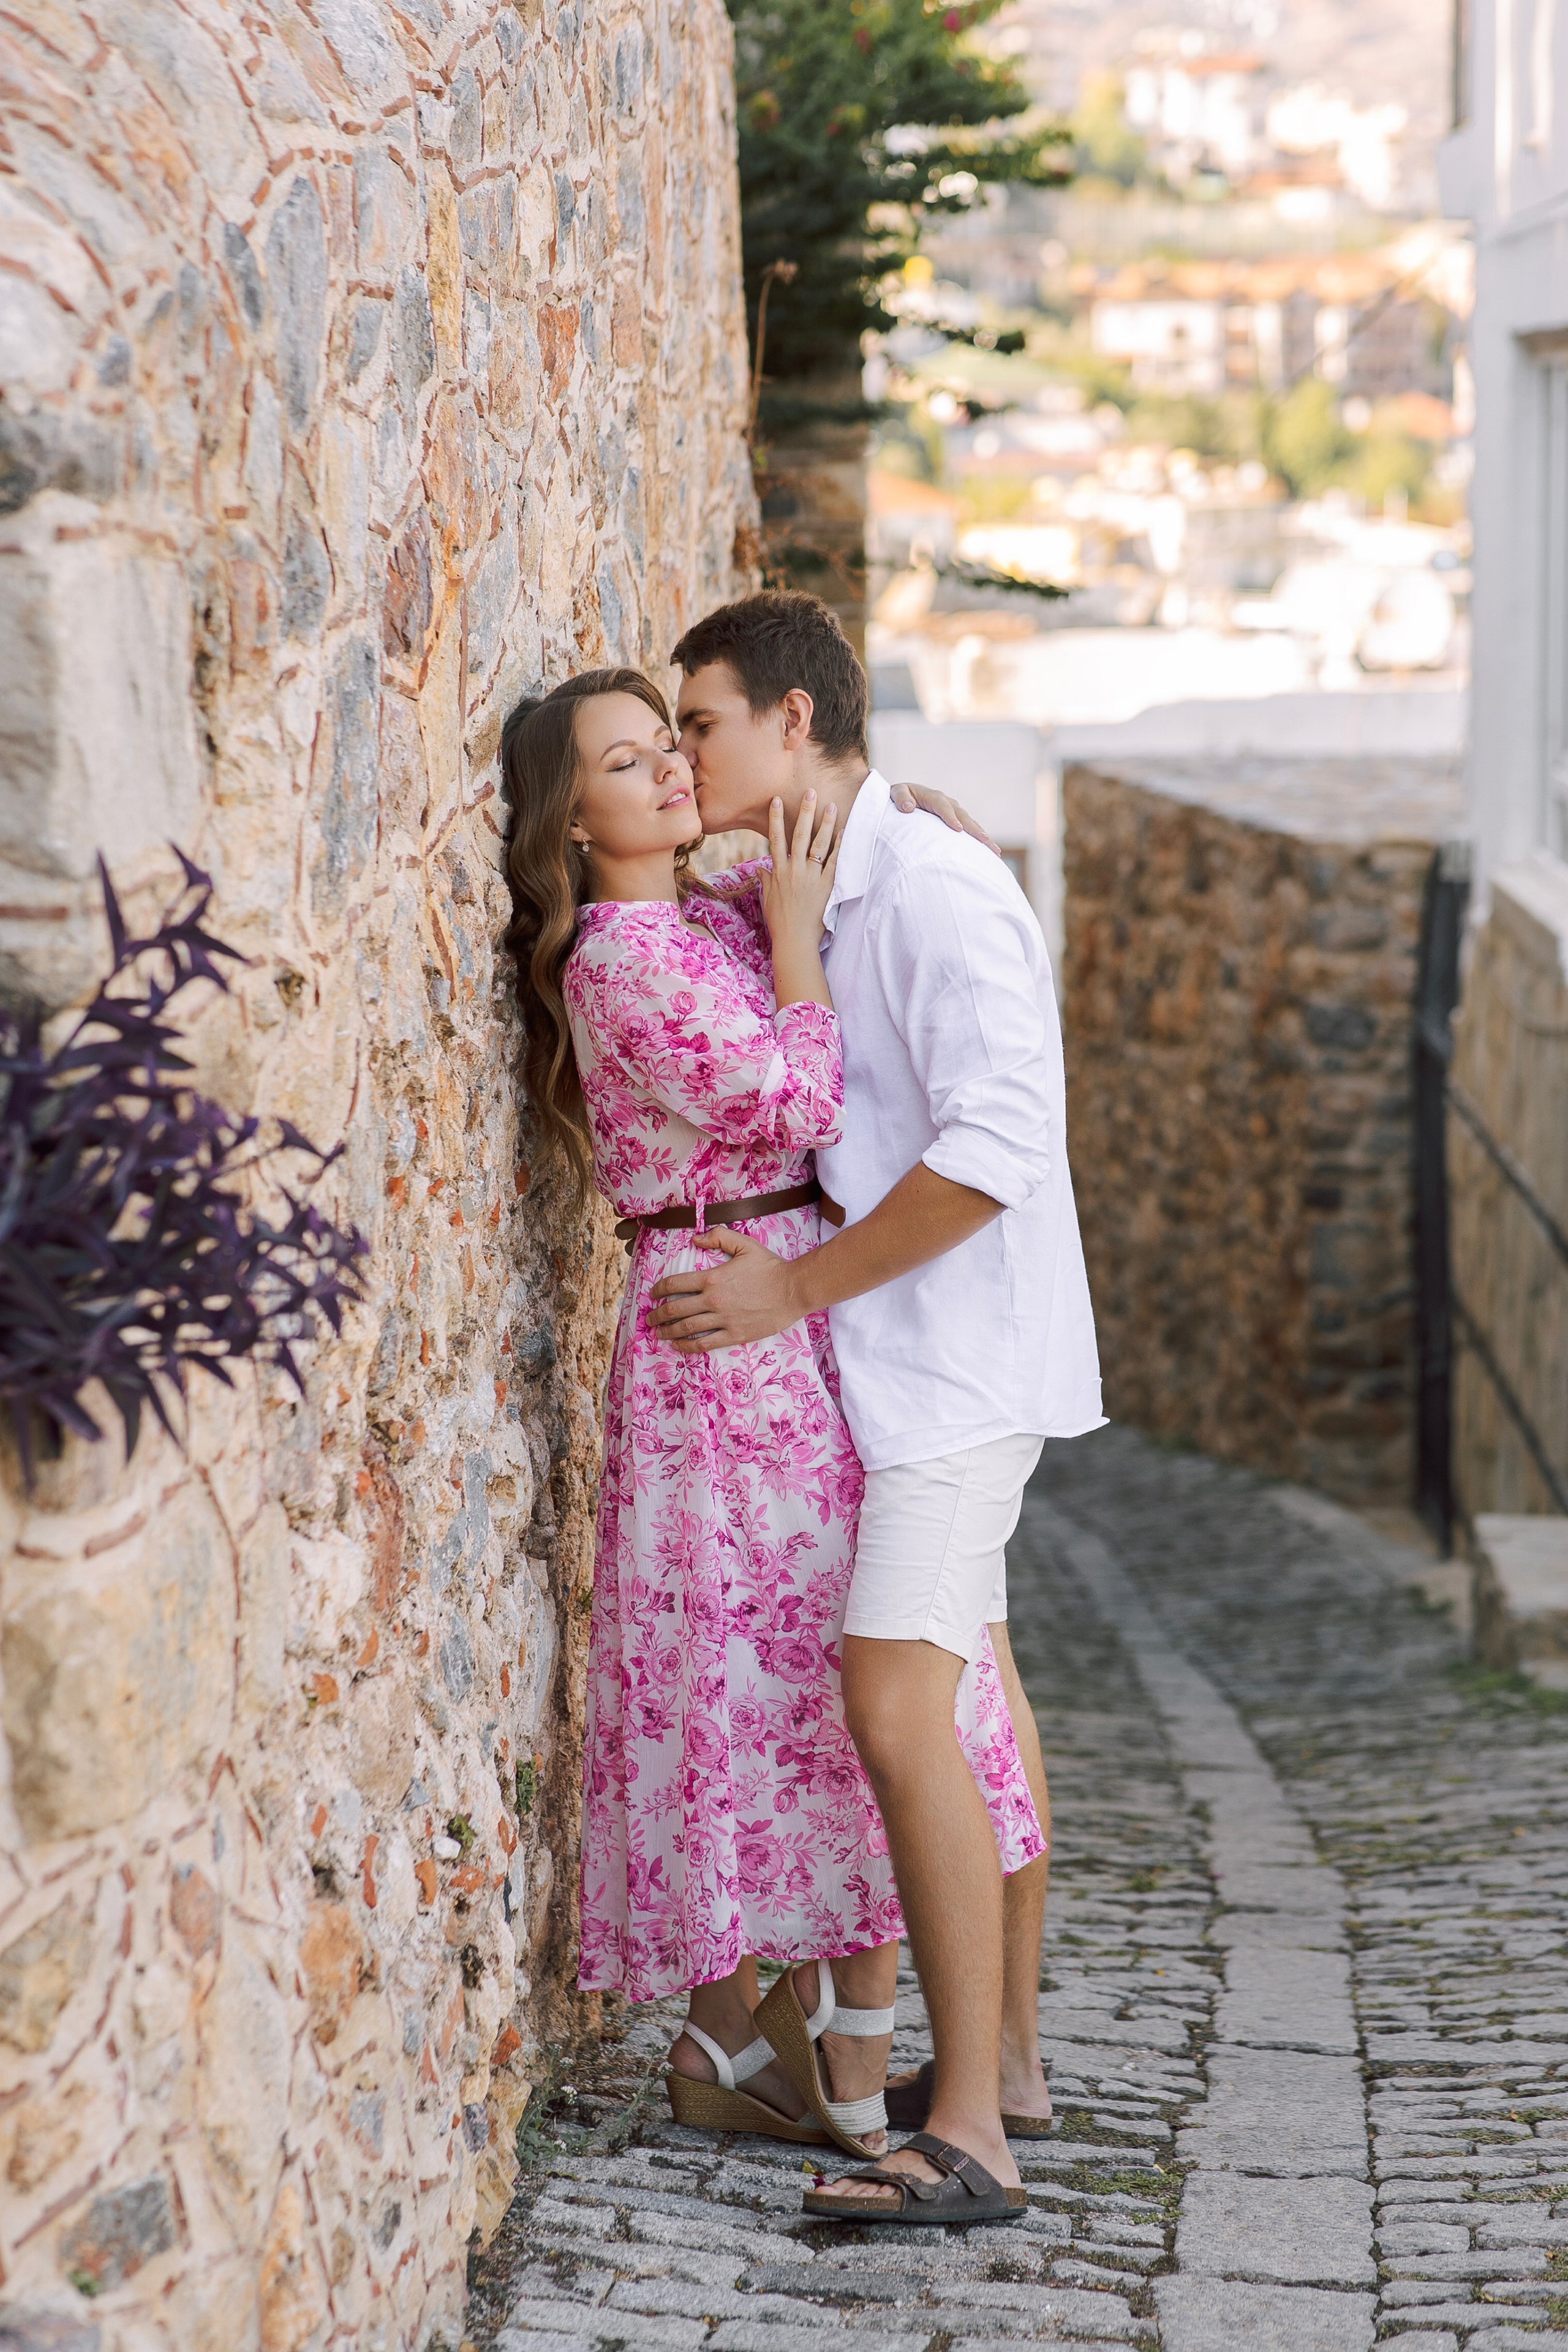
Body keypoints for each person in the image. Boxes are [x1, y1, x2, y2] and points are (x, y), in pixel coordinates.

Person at [501, 668, 1045, 2165]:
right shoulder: (617, 956)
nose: (670, 771)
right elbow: (798, 1097)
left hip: (785, 1310)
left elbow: (811, 865)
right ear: (574, 818)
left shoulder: (705, 915)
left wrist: (913, 825)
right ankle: (787, 2049)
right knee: (764, 1678)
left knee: (810, 1672)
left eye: (670, 739)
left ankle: (770, 2040)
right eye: (628, 760)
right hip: (718, 1335)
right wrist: (799, 944)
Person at [651, 592, 1104, 2225]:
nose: (683, 755)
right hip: (894, 1368)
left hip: (957, 1369)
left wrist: (785, 1290)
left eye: (699, 723)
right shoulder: (833, 873)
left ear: (793, 722)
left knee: (895, 1703)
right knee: (969, 1685)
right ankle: (1015, 2070)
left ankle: (968, 2134)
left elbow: (998, 1148)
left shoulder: (935, 888)